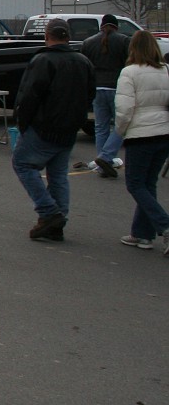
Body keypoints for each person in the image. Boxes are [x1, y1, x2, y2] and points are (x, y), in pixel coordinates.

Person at [11, 17, 96, 241]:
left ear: (47, 36)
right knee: (58, 175)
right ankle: (57, 221)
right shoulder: (83, 61)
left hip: (44, 126)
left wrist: (21, 121)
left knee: (22, 163)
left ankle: (49, 212)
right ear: (67, 36)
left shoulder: (43, 60)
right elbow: (90, 93)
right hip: (69, 128)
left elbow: (29, 95)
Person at [113, 30, 169, 253]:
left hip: (141, 134)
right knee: (148, 184)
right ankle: (142, 234)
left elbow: (124, 108)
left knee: (135, 184)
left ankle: (164, 225)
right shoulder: (165, 70)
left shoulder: (129, 72)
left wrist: (121, 131)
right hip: (164, 132)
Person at [80, 14, 130, 178]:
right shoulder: (123, 41)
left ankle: (103, 165)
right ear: (116, 26)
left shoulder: (88, 43)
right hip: (117, 88)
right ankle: (105, 157)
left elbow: (85, 66)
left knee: (100, 127)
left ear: (101, 26)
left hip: (97, 88)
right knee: (121, 125)